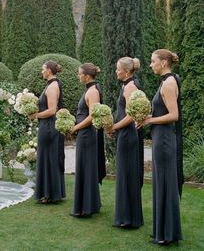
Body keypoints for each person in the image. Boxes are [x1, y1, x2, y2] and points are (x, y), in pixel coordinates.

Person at [139, 49, 183, 245]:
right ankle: (163, 231)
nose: (150, 64)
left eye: (153, 61)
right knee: (161, 183)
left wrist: (150, 120)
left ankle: (166, 234)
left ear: (164, 63)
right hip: (161, 138)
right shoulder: (166, 81)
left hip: (164, 140)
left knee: (165, 183)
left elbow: (174, 115)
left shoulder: (169, 83)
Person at [109, 57, 143, 228]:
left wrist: (114, 126)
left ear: (127, 71)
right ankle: (127, 216)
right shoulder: (126, 85)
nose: (116, 71)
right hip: (124, 134)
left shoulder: (130, 87)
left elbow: (131, 116)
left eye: (118, 69)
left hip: (128, 135)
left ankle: (128, 218)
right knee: (124, 173)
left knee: (127, 173)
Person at [70, 63, 104, 217]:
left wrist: (76, 128)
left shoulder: (93, 91)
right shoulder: (90, 89)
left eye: (79, 73)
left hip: (87, 134)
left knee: (87, 168)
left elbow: (92, 116)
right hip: (84, 133)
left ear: (87, 76)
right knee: (84, 167)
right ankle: (88, 204)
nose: (78, 76)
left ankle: (87, 207)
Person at [29, 60, 65, 204]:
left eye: (43, 69)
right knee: (49, 158)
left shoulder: (51, 87)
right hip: (49, 126)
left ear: (49, 71)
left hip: (49, 127)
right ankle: (51, 192)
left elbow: (51, 111)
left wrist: (35, 115)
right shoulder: (53, 85)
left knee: (47, 158)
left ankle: (49, 194)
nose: (41, 71)